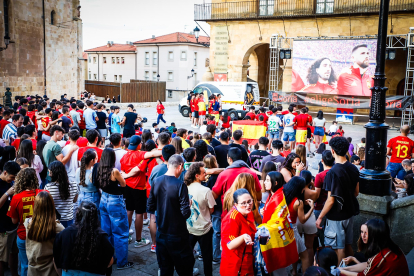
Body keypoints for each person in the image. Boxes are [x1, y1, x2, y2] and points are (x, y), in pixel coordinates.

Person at [147, 155, 197, 275]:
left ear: (168, 165)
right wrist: (188, 205)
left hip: (161, 233)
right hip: (178, 235)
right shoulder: (180, 185)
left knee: (165, 269)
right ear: (180, 166)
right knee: (184, 269)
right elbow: (186, 213)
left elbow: (150, 206)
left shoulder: (156, 181)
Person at [316, 137, 360, 264]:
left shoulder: (332, 172)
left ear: (333, 151)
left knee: (338, 248)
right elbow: (356, 192)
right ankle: (350, 269)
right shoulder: (353, 168)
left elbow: (330, 200)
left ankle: (339, 272)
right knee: (347, 245)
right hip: (349, 214)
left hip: (336, 216)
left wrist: (320, 217)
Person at [120, 135, 162, 248]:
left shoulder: (124, 155)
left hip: (127, 186)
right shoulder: (140, 154)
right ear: (139, 145)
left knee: (129, 210)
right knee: (139, 213)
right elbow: (154, 154)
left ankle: (127, 235)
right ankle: (138, 239)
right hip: (139, 188)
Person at [53, 201, 115, 275]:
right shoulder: (102, 237)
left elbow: (56, 259)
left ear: (78, 214)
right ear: (95, 216)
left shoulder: (65, 233)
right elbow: (110, 262)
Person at [96, 148, 132, 270]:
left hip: (103, 199)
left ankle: (109, 258)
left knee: (107, 231)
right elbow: (123, 184)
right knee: (120, 232)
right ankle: (122, 262)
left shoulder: (99, 168)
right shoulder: (114, 171)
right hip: (115, 201)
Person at [339, 219, 409, 276]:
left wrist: (341, 271)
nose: (362, 236)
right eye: (362, 232)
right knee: (358, 256)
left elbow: (362, 274)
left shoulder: (380, 258)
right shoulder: (392, 248)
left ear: (375, 236)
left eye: (366, 233)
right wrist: (346, 268)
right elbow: (369, 265)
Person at [7, 168, 42, 276]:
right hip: (41, 233)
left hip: (23, 235)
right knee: (40, 264)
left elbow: (14, 221)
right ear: (35, 179)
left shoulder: (16, 198)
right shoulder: (43, 193)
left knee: (25, 265)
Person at [185, 162, 216, 276]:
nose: (205, 174)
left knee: (188, 254)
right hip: (205, 229)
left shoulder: (185, 187)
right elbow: (212, 209)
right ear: (196, 175)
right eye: (203, 173)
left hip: (189, 227)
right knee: (207, 257)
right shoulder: (206, 190)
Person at [24, 191, 64, 276]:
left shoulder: (27, 223)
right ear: (51, 206)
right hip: (50, 271)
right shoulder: (58, 228)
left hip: (32, 270)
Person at [212, 147, 262, 213]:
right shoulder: (252, 173)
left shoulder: (224, 174)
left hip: (229, 213)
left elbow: (214, 195)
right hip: (248, 213)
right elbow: (259, 197)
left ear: (230, 159)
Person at [220, 188, 256, 276]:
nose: (248, 205)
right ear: (236, 204)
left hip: (247, 259)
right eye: (243, 203)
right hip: (235, 264)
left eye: (249, 201)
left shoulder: (248, 212)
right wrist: (243, 237)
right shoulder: (231, 219)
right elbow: (230, 245)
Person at [283, 176, 314, 274]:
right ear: (300, 189)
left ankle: (294, 272)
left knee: (295, 253)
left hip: (283, 227)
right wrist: (312, 208)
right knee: (304, 256)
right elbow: (303, 220)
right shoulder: (298, 202)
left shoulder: (283, 195)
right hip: (293, 229)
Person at [0, 161, 20, 276]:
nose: (12, 180)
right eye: (12, 177)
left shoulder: (10, 182)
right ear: (5, 172)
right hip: (2, 229)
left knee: (14, 254)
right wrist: (7, 193)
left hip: (12, 226)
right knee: (2, 259)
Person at [44, 161, 78, 227]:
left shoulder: (48, 187)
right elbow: (74, 200)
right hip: (69, 220)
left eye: (50, 172)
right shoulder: (74, 185)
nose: (49, 174)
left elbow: (48, 204)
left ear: (54, 173)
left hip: (55, 220)